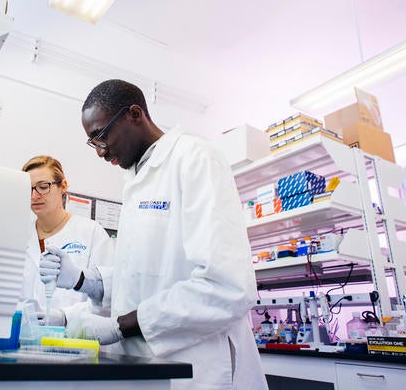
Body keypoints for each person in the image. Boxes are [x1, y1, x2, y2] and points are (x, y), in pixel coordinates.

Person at [40, 80, 268, 389]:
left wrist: (120, 327)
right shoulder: (136, 177)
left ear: (134, 114)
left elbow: (226, 286)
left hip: (199, 368)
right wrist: (86, 281)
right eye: (93, 143)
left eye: (101, 137)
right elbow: (146, 276)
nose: (100, 152)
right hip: (147, 366)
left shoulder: (195, 159)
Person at [21, 155, 114, 326]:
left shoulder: (91, 233)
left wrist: (64, 317)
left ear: (63, 186)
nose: (34, 196)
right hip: (20, 338)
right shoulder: (19, 234)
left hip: (72, 339)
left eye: (43, 187)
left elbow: (107, 298)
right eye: (29, 189)